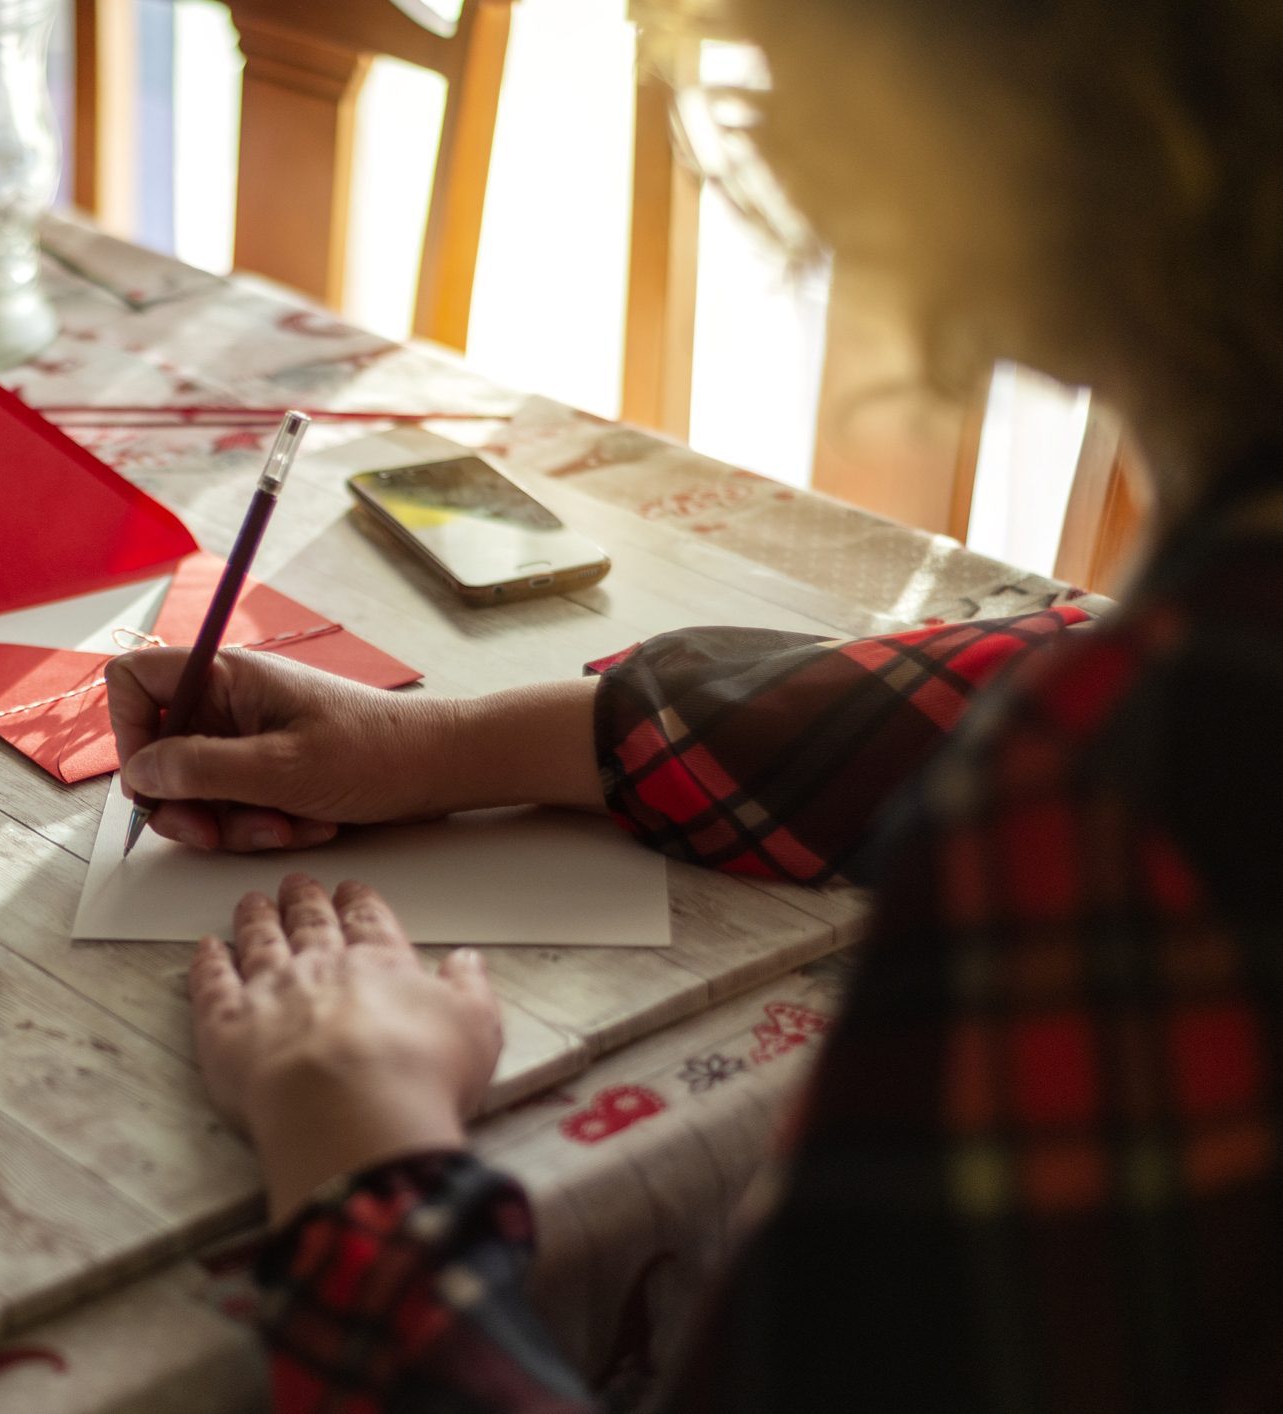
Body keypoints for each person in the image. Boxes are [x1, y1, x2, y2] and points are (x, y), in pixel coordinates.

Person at [102, 0, 1283, 1408]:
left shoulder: (1114, 796)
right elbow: (1005, 676)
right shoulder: (1190, 663)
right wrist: (445, 745)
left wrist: (356, 1140)